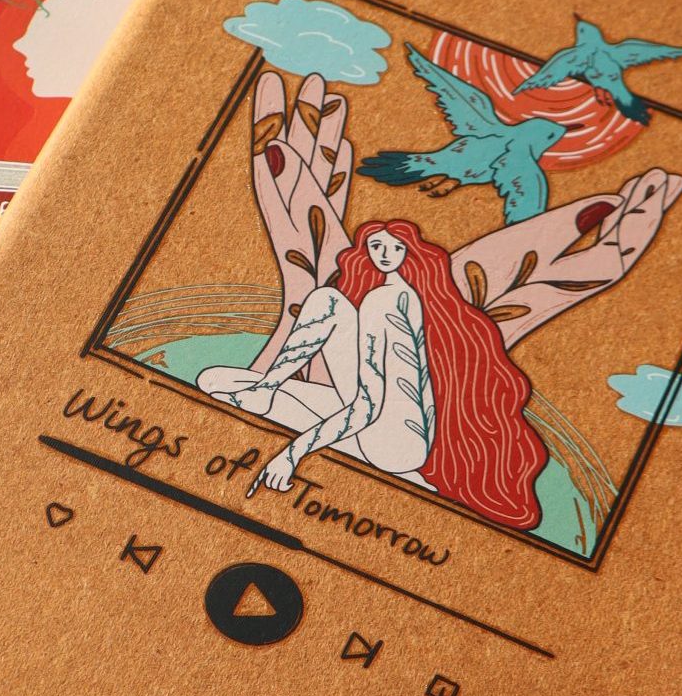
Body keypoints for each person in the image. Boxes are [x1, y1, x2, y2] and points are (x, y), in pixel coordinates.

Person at [197, 219, 547, 529]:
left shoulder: (383, 301)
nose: (384, 254)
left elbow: (367, 405)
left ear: (409, 253)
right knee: (225, 371)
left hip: (389, 444)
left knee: (214, 382)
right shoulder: (399, 296)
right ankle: (266, 388)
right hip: (385, 423)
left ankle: (266, 391)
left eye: (395, 247)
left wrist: (292, 454)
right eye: (376, 246)